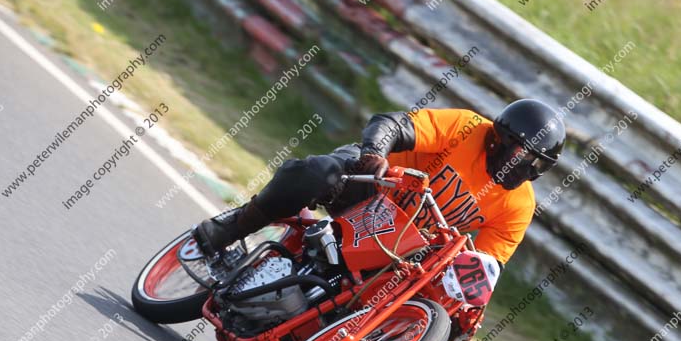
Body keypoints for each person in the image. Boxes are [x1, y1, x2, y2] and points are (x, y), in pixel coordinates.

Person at [194, 99, 565, 282]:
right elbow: (392, 124)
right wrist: (374, 154)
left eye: (539, 165)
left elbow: (484, 267)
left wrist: (468, 304)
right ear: (498, 139)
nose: (528, 170)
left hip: (402, 247)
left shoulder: (519, 205)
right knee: (318, 172)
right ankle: (229, 229)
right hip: (370, 188)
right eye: (524, 156)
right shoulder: (468, 127)